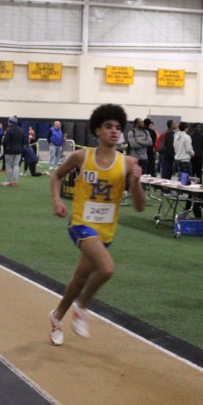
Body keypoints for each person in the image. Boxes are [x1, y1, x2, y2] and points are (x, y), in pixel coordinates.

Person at [47, 103, 146, 346]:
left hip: (106, 231)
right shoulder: (82, 157)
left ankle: (57, 316)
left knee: (80, 279)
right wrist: (57, 200)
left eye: (118, 127)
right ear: (97, 130)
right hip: (81, 223)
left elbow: (140, 206)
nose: (114, 131)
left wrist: (135, 183)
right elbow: (57, 175)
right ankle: (82, 307)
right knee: (107, 268)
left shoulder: (127, 163)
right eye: (108, 126)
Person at [2, 116, 24, 186]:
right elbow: (24, 141)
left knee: (8, 165)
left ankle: (9, 181)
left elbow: (5, 141)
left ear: (10, 122)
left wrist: (5, 149)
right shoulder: (21, 130)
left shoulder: (9, 130)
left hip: (10, 150)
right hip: (19, 150)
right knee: (16, 165)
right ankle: (16, 181)